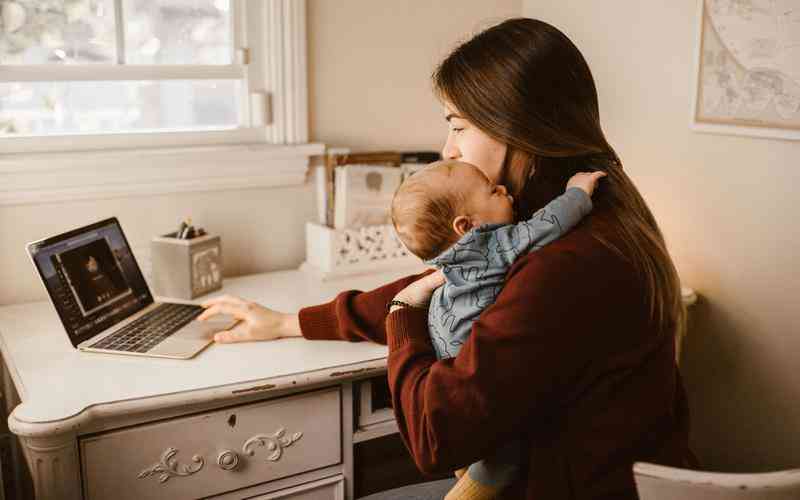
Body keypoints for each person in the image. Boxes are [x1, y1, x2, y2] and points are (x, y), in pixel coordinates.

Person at [197, 17, 698, 499]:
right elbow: (444, 288)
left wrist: (402, 322)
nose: (448, 148)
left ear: (515, 127)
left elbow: (434, 438)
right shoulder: (583, 213)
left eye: (458, 127)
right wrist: (288, 323)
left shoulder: (564, 265)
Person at [390, 159, 605, 499]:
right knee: (507, 453)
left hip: (444, 346)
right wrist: (578, 190)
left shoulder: (446, 261)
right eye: (492, 190)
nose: (504, 190)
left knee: (474, 449)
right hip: (470, 355)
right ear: (467, 225)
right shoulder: (493, 247)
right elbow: (544, 225)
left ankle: (464, 475)